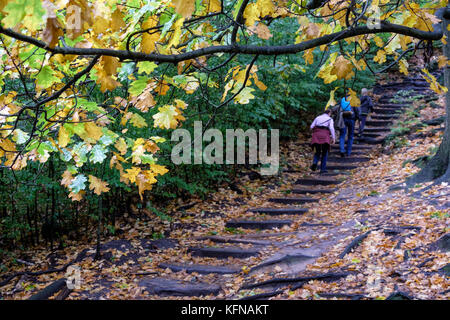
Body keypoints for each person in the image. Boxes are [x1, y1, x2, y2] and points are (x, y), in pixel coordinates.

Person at [310, 108, 335, 174]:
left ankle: (315, 163)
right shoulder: (330, 119)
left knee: (317, 151)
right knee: (324, 153)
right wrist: (333, 138)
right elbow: (331, 128)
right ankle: (322, 169)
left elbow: (311, 126)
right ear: (329, 113)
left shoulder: (317, 117)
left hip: (316, 135)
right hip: (325, 136)